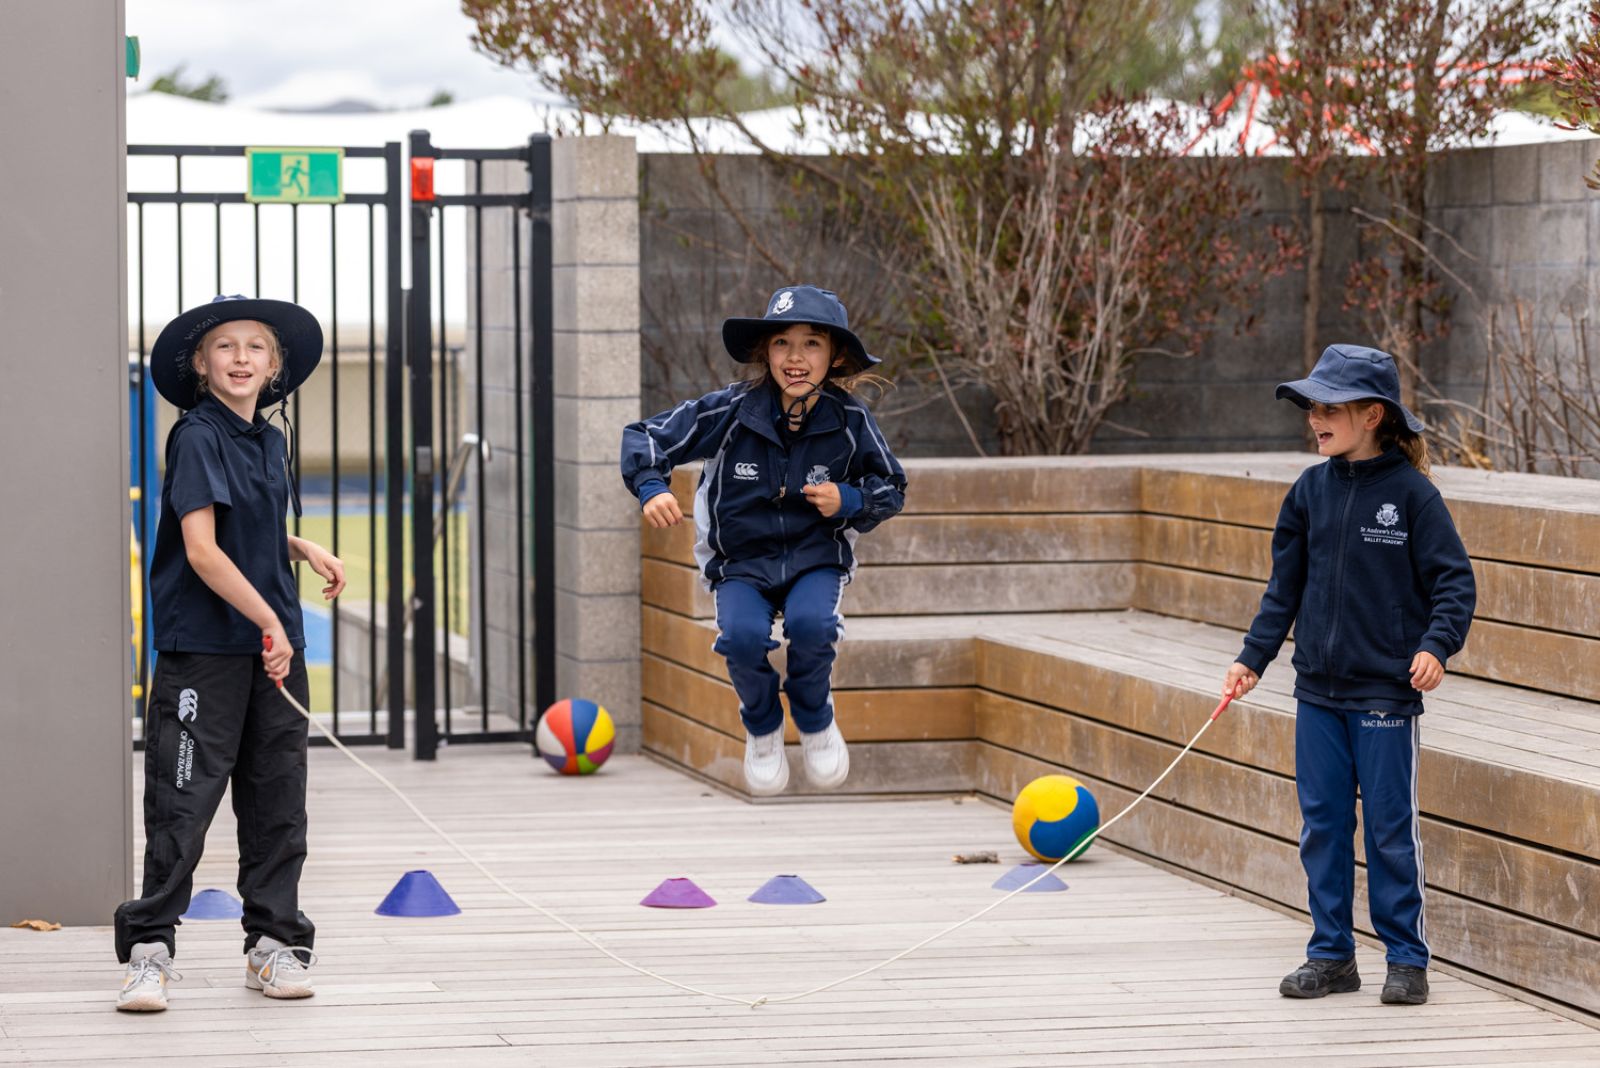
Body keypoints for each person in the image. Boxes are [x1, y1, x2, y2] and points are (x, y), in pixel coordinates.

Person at [1222, 344, 1475, 1007]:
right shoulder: (1308, 492)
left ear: (1372, 415)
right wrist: (1253, 658)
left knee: (1391, 829)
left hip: (1386, 694)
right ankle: (1331, 954)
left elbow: (1455, 583)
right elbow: (1284, 589)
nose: (1314, 418)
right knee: (1324, 827)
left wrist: (1435, 647)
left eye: (1329, 407)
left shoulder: (1414, 497)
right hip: (1319, 696)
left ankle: (1406, 958)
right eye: (1311, 407)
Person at [114, 295, 345, 1012]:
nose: (241, 358)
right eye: (225, 346)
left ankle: (274, 947)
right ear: (200, 364)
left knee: (278, 805)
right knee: (182, 806)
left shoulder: (267, 442)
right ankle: (149, 951)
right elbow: (203, 552)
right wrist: (272, 622)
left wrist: (296, 545)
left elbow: (247, 533)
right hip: (206, 652)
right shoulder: (196, 436)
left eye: (256, 347)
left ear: (275, 366)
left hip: (271, 649)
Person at [621, 285, 907, 796]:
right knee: (743, 638)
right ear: (765, 353)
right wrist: (650, 486)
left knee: (812, 624)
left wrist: (851, 501)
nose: (796, 357)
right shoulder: (732, 411)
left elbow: (890, 486)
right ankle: (762, 726)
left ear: (834, 356)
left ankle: (815, 716)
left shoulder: (850, 420)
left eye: (812, 344)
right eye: (782, 343)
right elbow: (646, 435)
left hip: (815, 558)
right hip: (740, 562)